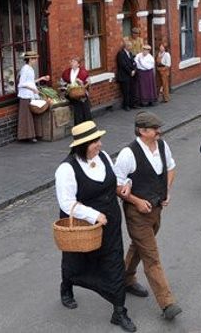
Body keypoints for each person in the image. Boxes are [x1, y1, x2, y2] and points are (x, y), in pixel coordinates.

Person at [55, 121, 137, 332]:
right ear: (82, 145)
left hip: (110, 222)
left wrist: (126, 184)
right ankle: (67, 286)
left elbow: (115, 179)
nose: (99, 144)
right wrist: (93, 215)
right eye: (94, 142)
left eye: (99, 140)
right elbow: (66, 203)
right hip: (84, 226)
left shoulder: (103, 156)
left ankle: (119, 311)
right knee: (76, 261)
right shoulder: (66, 169)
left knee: (114, 262)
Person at [113, 111, 182, 321]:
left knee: (139, 245)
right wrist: (135, 201)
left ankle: (125, 278)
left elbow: (171, 168)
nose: (159, 131)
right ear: (142, 131)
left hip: (157, 209)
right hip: (137, 213)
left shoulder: (162, 145)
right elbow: (116, 184)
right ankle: (167, 303)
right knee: (151, 257)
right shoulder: (128, 153)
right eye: (154, 129)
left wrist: (167, 190)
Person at [16, 51, 48, 143]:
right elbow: (21, 83)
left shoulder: (30, 68)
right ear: (30, 59)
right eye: (34, 59)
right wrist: (33, 89)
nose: (35, 61)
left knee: (31, 115)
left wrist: (41, 78)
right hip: (25, 95)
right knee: (26, 116)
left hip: (30, 94)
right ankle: (26, 136)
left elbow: (30, 81)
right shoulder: (25, 69)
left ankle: (32, 135)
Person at [61, 56, 92, 125]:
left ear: (78, 64)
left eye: (74, 62)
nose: (72, 63)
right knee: (78, 105)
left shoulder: (83, 72)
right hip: (71, 94)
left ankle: (87, 124)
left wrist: (81, 82)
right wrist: (67, 88)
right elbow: (62, 83)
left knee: (84, 103)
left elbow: (88, 83)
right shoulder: (66, 72)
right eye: (71, 61)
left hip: (81, 93)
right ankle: (79, 124)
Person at [116, 38, 137, 111]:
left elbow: (134, 62)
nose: (131, 48)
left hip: (131, 75)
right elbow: (123, 65)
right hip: (124, 76)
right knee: (126, 91)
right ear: (126, 47)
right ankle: (126, 105)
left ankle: (132, 104)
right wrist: (130, 71)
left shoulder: (130, 53)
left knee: (132, 90)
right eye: (130, 46)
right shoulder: (121, 54)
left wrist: (134, 69)